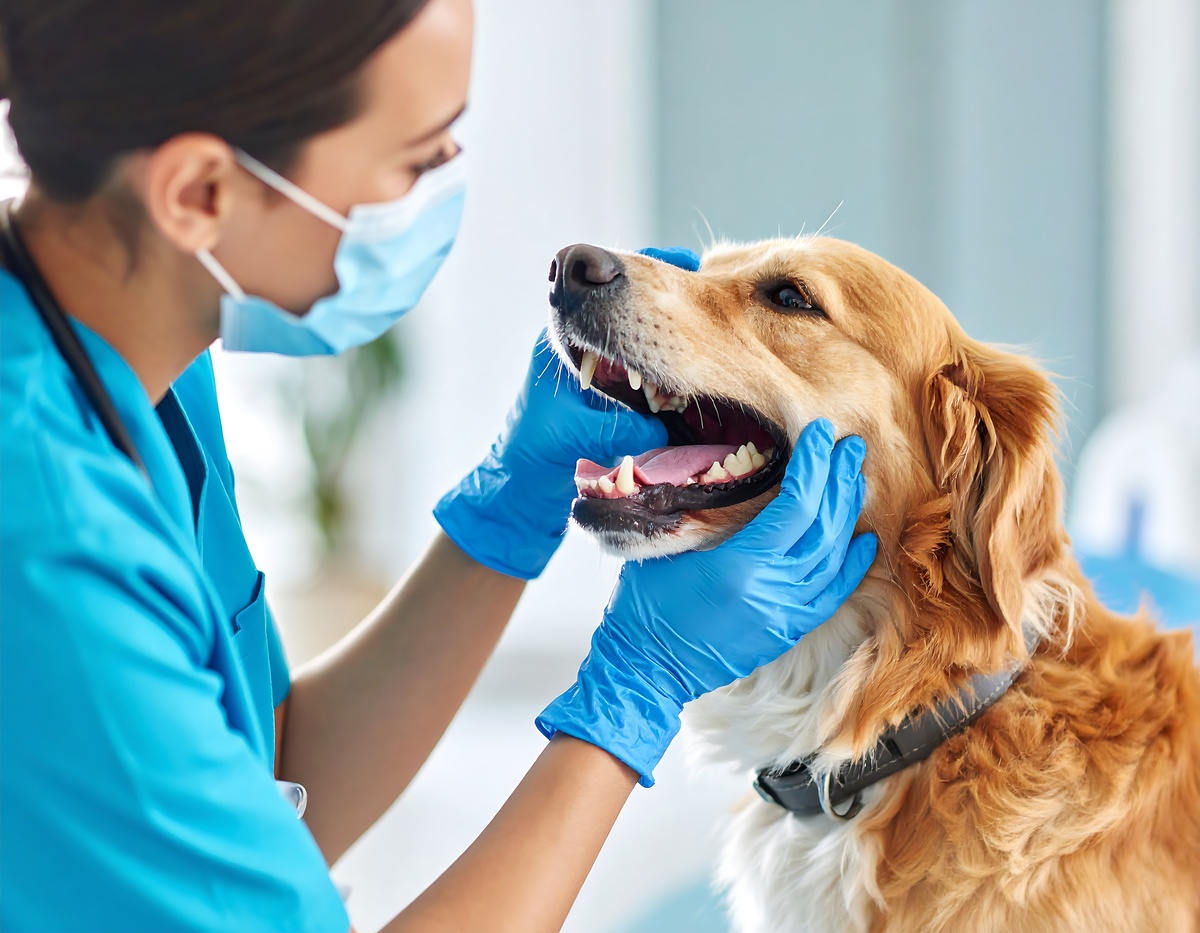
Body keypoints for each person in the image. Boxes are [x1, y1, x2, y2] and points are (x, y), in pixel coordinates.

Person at [0, 1, 876, 930]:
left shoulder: (137, 360)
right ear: (200, 194)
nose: (444, 184)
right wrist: (635, 690)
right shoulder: (46, 546)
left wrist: (511, 502)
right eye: (417, 159)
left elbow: (272, 781)